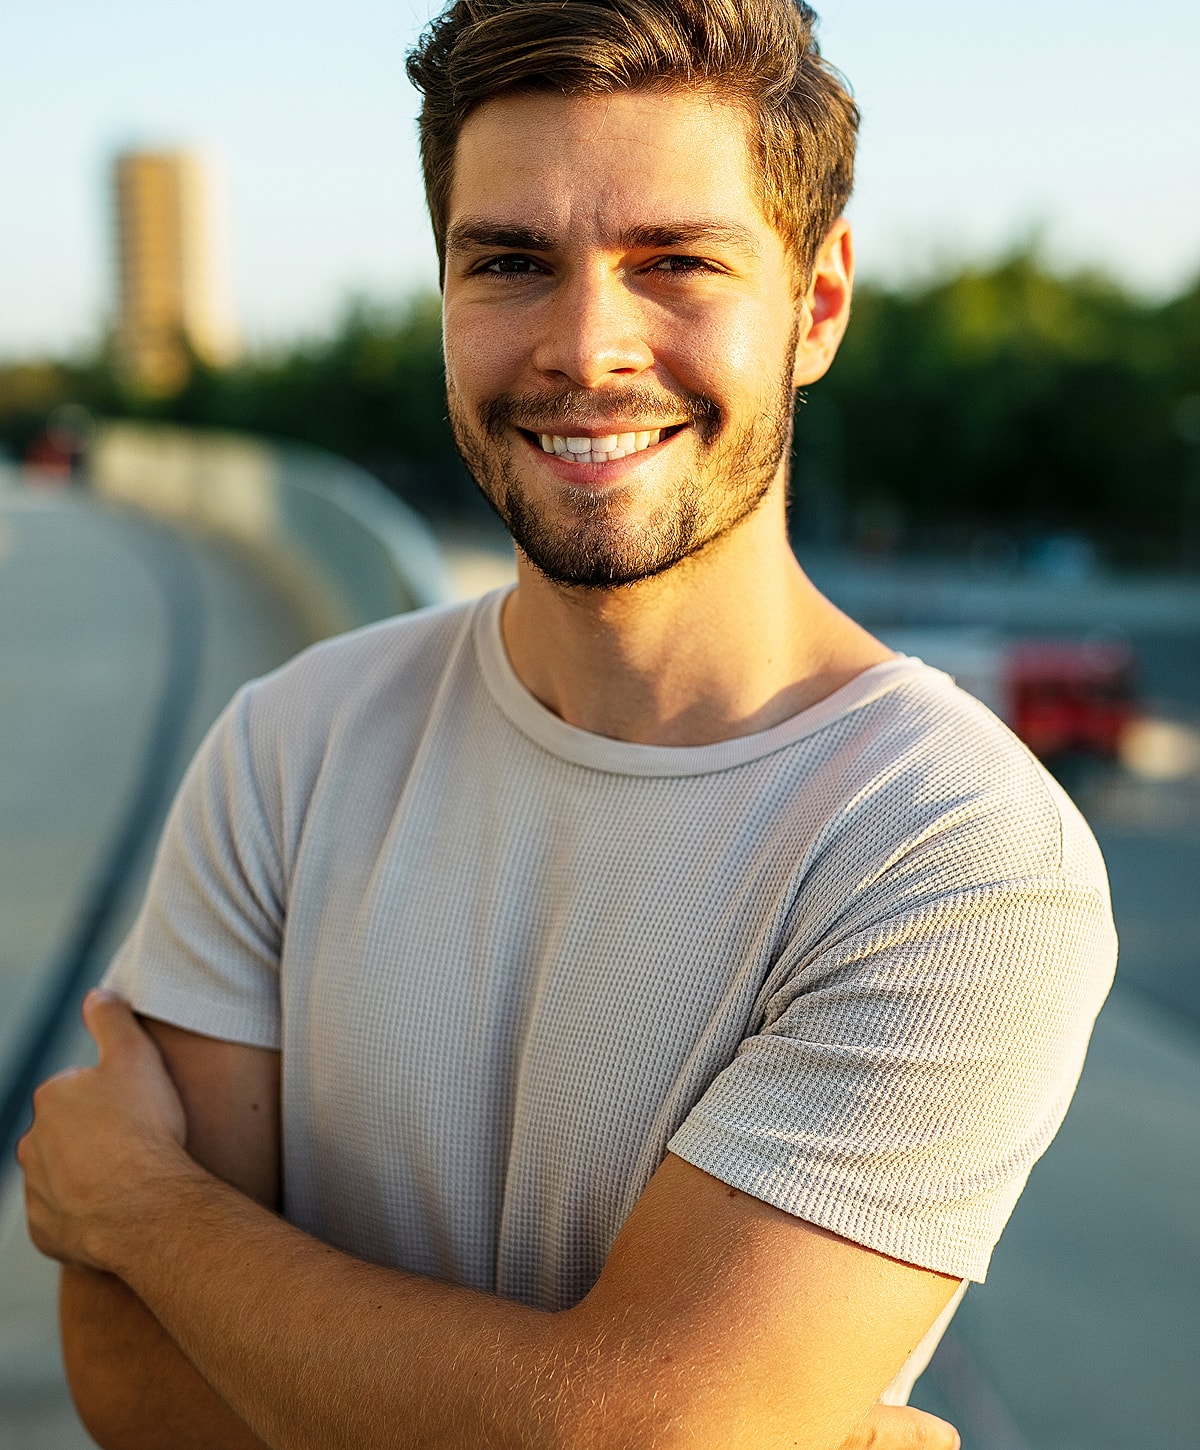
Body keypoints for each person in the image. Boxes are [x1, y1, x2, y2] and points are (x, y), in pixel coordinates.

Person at [19, 1, 1117, 1446]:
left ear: (821, 306)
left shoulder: (955, 852)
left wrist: (149, 1212)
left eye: (676, 262)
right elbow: (128, 1377)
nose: (587, 346)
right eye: (512, 263)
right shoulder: (291, 744)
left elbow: (635, 1441)